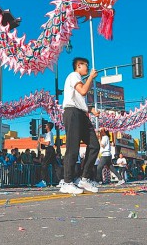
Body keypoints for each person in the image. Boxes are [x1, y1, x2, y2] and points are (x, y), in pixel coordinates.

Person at [60, 57, 100, 194]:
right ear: (78, 66)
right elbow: (82, 91)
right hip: (72, 113)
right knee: (73, 148)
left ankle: (84, 178)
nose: (87, 68)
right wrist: (91, 78)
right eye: (85, 65)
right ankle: (67, 182)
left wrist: (90, 110)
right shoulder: (73, 76)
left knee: (94, 145)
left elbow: (79, 99)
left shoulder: (80, 79)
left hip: (82, 114)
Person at [35, 122, 59, 187]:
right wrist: (38, 129)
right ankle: (61, 180)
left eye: (46, 125)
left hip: (49, 150)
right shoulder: (48, 134)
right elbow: (39, 135)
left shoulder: (49, 134)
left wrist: (40, 142)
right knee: (55, 165)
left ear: (48, 127)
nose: (45, 126)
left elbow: (48, 143)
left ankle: (44, 181)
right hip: (50, 150)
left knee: (44, 165)